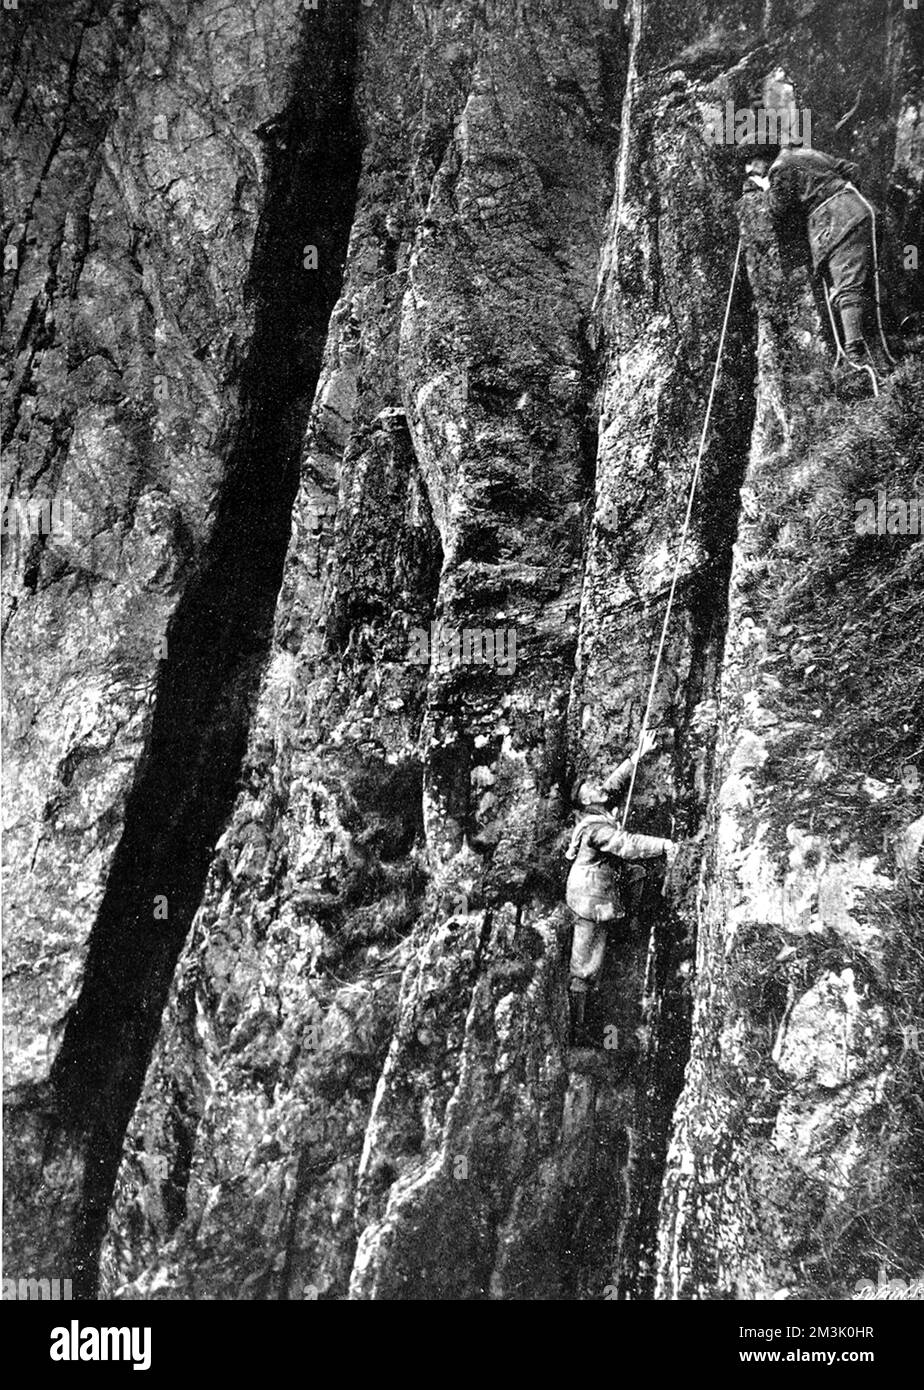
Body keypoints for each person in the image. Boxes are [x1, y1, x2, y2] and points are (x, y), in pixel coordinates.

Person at [742, 143, 891, 379]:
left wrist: (765, 187)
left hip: (836, 222)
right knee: (868, 277)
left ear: (763, 157)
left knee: (847, 284)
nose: (749, 168)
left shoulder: (779, 170)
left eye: (752, 162)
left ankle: (855, 356)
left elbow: (777, 208)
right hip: (861, 210)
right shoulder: (805, 152)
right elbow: (851, 169)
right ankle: (886, 342)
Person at [565, 730, 675, 1046]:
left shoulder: (597, 807)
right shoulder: (595, 827)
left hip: (596, 892)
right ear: (585, 801)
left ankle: (629, 923)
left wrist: (638, 754)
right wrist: (665, 846)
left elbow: (614, 785)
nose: (597, 788)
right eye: (590, 788)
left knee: (636, 876)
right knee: (585, 966)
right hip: (589, 899)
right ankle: (579, 1031)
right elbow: (625, 845)